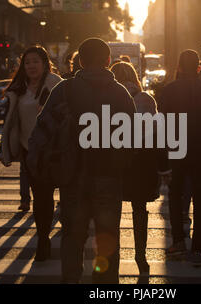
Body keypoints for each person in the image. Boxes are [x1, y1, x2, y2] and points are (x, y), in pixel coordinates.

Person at [28, 38, 136, 283]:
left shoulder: (64, 90)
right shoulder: (120, 93)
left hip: (72, 176)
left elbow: (41, 131)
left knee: (72, 238)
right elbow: (132, 139)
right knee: (107, 237)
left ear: (80, 62)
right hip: (108, 176)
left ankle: (72, 280)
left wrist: (39, 168)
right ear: (108, 61)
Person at [159, 49, 201, 266]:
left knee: (175, 195)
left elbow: (163, 123)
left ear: (179, 67)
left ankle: (178, 241)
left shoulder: (169, 90)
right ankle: (197, 247)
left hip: (177, 147)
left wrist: (164, 154)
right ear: (199, 67)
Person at [110, 61, 169, 275]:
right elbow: (156, 134)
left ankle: (112, 255)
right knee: (139, 211)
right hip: (141, 163)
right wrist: (163, 167)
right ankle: (140, 255)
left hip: (113, 163)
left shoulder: (108, 97)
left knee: (110, 213)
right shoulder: (145, 100)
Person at [0, 45, 62, 215]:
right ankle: (42, 237)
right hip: (28, 149)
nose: (31, 66)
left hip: (51, 148)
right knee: (39, 194)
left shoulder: (56, 84)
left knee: (46, 192)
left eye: (35, 62)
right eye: (27, 63)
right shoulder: (18, 89)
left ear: (45, 63)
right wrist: (5, 149)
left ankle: (44, 233)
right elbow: (10, 123)